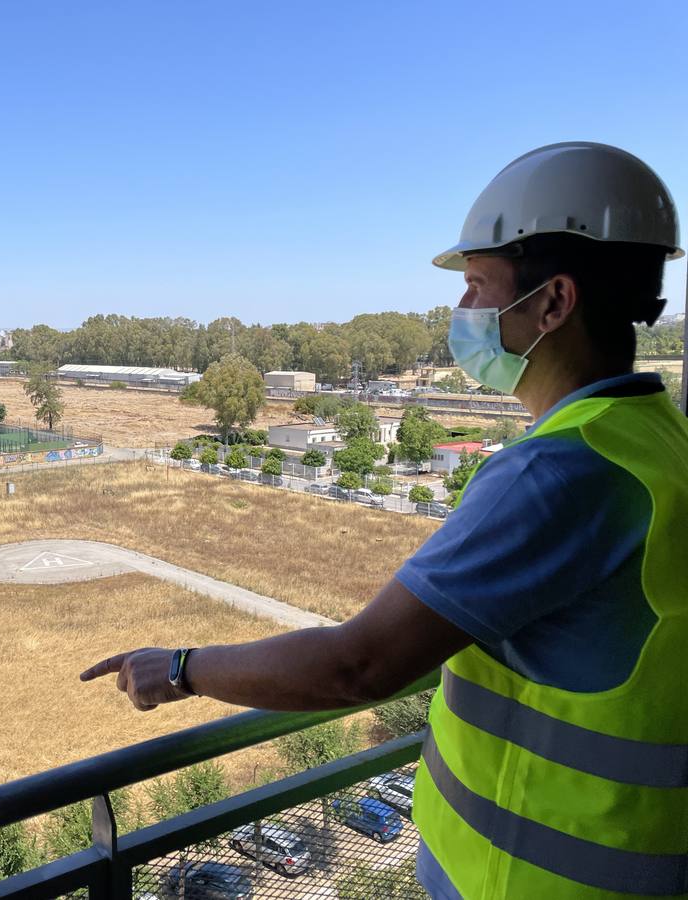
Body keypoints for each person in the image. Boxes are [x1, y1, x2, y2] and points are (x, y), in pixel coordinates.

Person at [80, 142, 688, 899]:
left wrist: (178, 669)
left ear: (554, 302)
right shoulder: (659, 439)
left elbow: (357, 665)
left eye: (476, 287)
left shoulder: (560, 472)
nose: (462, 313)